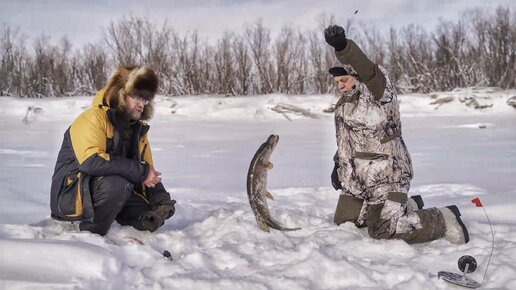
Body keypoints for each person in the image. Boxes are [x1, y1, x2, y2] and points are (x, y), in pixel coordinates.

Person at [324, 25, 469, 244]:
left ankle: (443, 219)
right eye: (337, 83)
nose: (340, 86)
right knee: (344, 222)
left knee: (381, 229)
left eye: (344, 79)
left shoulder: (379, 93)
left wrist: (344, 48)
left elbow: (369, 71)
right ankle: (406, 207)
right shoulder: (344, 105)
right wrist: (338, 166)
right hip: (359, 181)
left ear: (355, 74)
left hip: (387, 177)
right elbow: (348, 140)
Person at [50, 65, 176, 236]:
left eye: (145, 99)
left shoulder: (136, 130)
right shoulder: (92, 118)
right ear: (121, 94)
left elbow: (145, 171)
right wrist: (142, 171)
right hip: (73, 197)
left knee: (148, 215)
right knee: (117, 184)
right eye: (136, 97)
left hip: (109, 190)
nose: (141, 104)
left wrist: (159, 197)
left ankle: (126, 228)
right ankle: (89, 236)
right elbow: (91, 162)